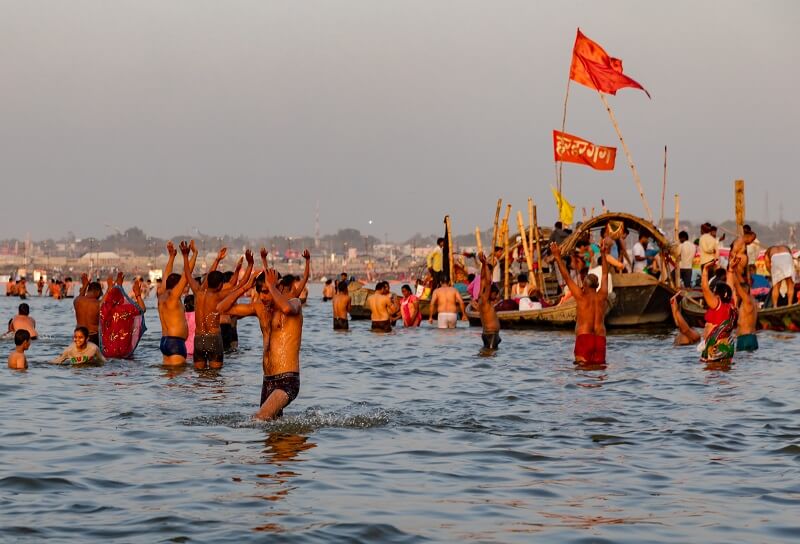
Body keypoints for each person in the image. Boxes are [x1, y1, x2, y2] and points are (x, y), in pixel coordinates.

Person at [217, 268, 303, 420]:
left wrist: (271, 286)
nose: (264, 297)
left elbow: (286, 308)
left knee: (260, 418)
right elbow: (221, 309)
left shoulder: (294, 303)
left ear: (280, 287)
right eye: (261, 292)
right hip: (268, 381)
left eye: (267, 291)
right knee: (271, 431)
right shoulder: (260, 309)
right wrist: (244, 287)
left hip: (287, 380)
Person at [183, 245, 253, 370]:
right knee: (216, 378)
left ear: (208, 281)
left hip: (199, 339)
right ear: (220, 285)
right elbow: (242, 284)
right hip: (213, 338)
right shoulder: (218, 295)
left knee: (200, 378)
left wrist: (185, 256)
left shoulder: (197, 293)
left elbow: (187, 273)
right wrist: (250, 265)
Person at [550, 241, 609, 365]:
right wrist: (603, 254)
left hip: (584, 337)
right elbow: (604, 274)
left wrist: (557, 257)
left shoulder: (581, 296)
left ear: (585, 285)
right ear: (596, 285)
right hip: (600, 338)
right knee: (599, 374)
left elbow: (566, 276)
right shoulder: (602, 295)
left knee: (582, 375)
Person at [157, 241, 196, 366]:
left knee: (170, 382)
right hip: (176, 343)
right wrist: (192, 255)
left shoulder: (161, 296)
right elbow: (187, 275)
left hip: (165, 341)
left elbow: (166, 276)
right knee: (179, 382)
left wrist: (172, 257)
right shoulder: (174, 296)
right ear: (176, 286)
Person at [699, 260, 737, 363]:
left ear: (717, 295)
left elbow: (705, 289)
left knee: (712, 375)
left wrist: (705, 270)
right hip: (727, 346)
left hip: (715, 347)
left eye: (714, 292)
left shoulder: (717, 305)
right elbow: (730, 288)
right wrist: (730, 271)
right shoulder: (731, 305)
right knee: (724, 374)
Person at [728, 257, 758, 352]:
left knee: (742, 365)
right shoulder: (752, 301)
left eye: (738, 293)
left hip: (746, 338)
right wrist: (736, 269)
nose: (736, 294)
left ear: (743, 292)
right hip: (748, 338)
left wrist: (731, 270)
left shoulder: (747, 300)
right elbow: (741, 284)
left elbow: (737, 285)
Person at [477, 252, 501, 352]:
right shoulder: (484, 299)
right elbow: (487, 282)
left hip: (492, 334)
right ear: (490, 293)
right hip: (490, 335)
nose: (496, 296)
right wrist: (485, 263)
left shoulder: (482, 298)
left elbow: (483, 279)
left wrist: (483, 265)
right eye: (495, 294)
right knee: (489, 356)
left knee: (489, 356)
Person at [74, 273, 103, 345]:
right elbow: (105, 301)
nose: (100, 295)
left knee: (80, 355)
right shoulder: (98, 304)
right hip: (93, 337)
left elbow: (81, 295)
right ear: (98, 292)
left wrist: (85, 284)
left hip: (78, 337)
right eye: (100, 293)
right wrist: (110, 288)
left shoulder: (77, 301)